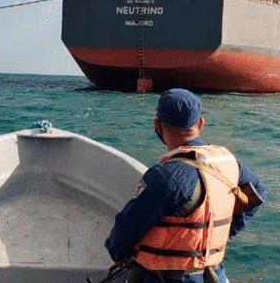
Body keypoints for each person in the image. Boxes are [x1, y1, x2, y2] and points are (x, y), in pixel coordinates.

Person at [105, 89, 267, 283]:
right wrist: (221, 233)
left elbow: (126, 229)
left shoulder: (163, 175)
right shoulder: (230, 163)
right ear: (200, 123)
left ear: (158, 125)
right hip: (214, 274)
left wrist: (118, 255)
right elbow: (258, 192)